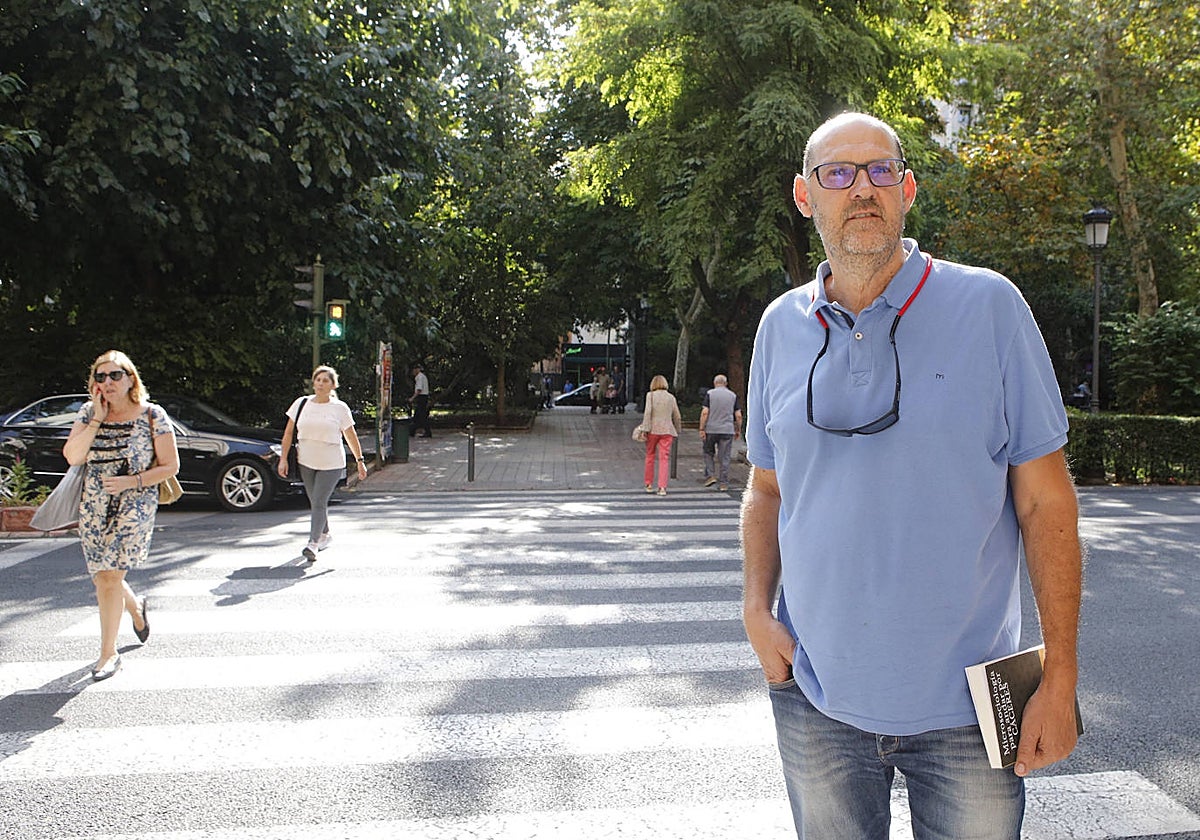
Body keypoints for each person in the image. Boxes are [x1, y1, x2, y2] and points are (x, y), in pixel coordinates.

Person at [742, 112, 1082, 838]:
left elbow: (1047, 504)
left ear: (908, 189)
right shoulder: (779, 326)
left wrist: (1061, 674)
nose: (861, 188)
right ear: (806, 197)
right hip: (815, 693)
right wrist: (755, 609)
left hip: (975, 699)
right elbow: (765, 487)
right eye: (838, 173)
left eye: (880, 171)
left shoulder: (990, 306)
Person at [62, 350, 180, 681]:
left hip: (136, 504)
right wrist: (97, 417)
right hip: (94, 504)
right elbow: (73, 456)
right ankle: (135, 608)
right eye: (101, 377)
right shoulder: (88, 413)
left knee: (110, 577)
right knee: (103, 576)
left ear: (131, 379)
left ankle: (107, 653)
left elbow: (171, 466)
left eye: (115, 375)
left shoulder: (153, 415)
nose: (108, 382)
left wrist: (132, 481)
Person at [277, 365, 368, 561]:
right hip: (306, 460)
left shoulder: (339, 408)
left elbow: (350, 435)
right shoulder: (301, 404)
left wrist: (360, 461)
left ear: (333, 385)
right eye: (318, 379)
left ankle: (313, 543)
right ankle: (325, 533)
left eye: (325, 380)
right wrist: (283, 459)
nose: (320, 383)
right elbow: (288, 433)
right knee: (316, 501)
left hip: (331, 463)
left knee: (318, 501)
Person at [699, 373, 742, 491]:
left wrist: (702, 428)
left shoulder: (710, 394)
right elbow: (738, 415)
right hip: (727, 430)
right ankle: (723, 483)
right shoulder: (733, 396)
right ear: (726, 384)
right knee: (725, 457)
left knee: (708, 452)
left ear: (714, 383)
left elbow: (705, 412)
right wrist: (738, 429)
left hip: (711, 429)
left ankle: (711, 475)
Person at [641, 374, 682, 496]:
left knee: (650, 456)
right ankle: (662, 487)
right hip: (667, 430)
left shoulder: (650, 396)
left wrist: (645, 428)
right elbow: (677, 416)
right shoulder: (671, 397)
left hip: (652, 429)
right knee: (664, 459)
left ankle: (648, 484)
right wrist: (677, 430)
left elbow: (648, 412)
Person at [410, 364, 432, 437]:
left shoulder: (419, 377)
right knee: (418, 416)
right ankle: (412, 431)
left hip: (422, 397)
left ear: (417, 369)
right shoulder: (422, 376)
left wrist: (412, 398)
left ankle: (427, 432)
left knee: (421, 416)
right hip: (423, 397)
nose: (413, 372)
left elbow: (419, 389)